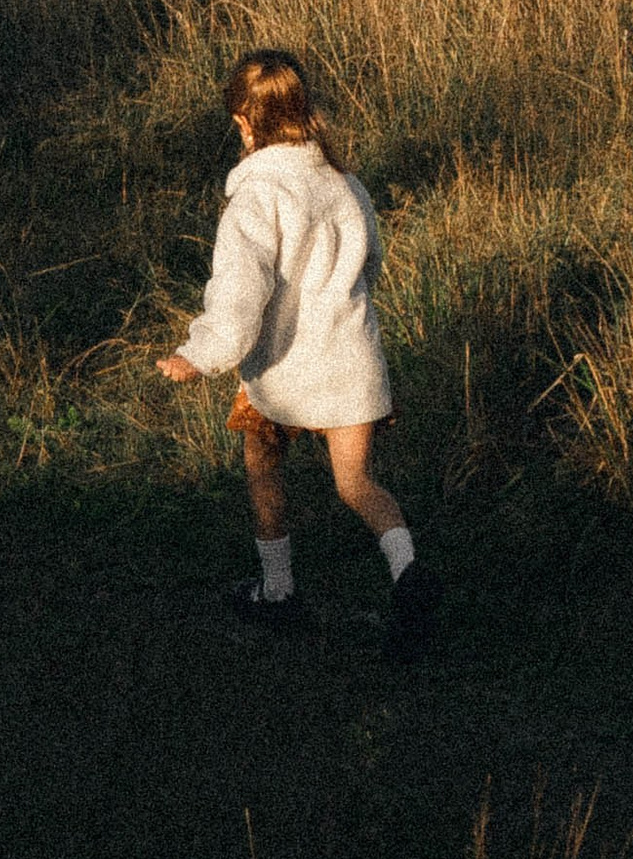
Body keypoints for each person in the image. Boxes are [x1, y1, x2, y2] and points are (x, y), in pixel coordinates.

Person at [157, 50, 429, 653]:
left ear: (244, 124)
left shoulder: (256, 199)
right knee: (357, 484)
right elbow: (372, 264)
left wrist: (201, 354)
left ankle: (278, 591)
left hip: (281, 373)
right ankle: (410, 576)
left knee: (262, 469)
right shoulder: (344, 184)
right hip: (351, 365)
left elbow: (238, 294)